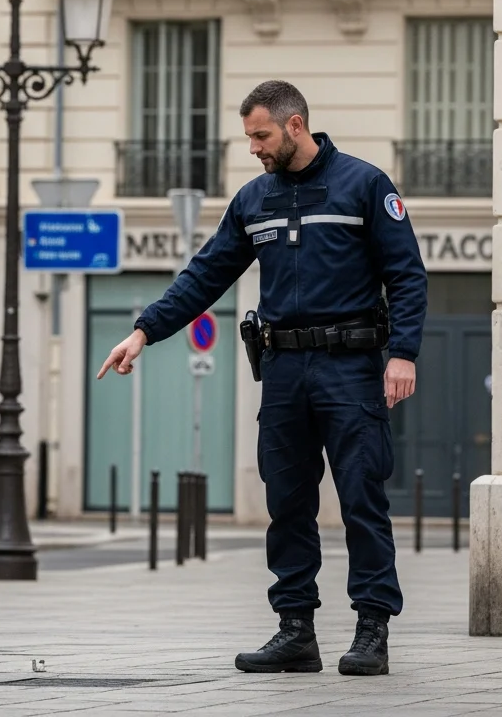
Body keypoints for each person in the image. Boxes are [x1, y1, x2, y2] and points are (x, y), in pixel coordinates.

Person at [97, 79, 427, 678]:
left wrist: (401, 354)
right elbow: (205, 275)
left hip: (351, 368)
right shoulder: (254, 200)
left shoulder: (364, 184)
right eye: (249, 136)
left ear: (295, 125)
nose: (253, 147)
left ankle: (372, 629)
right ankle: (295, 630)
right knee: (287, 503)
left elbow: (407, 275)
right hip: (283, 371)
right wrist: (143, 331)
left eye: (261, 135)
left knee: (361, 499)